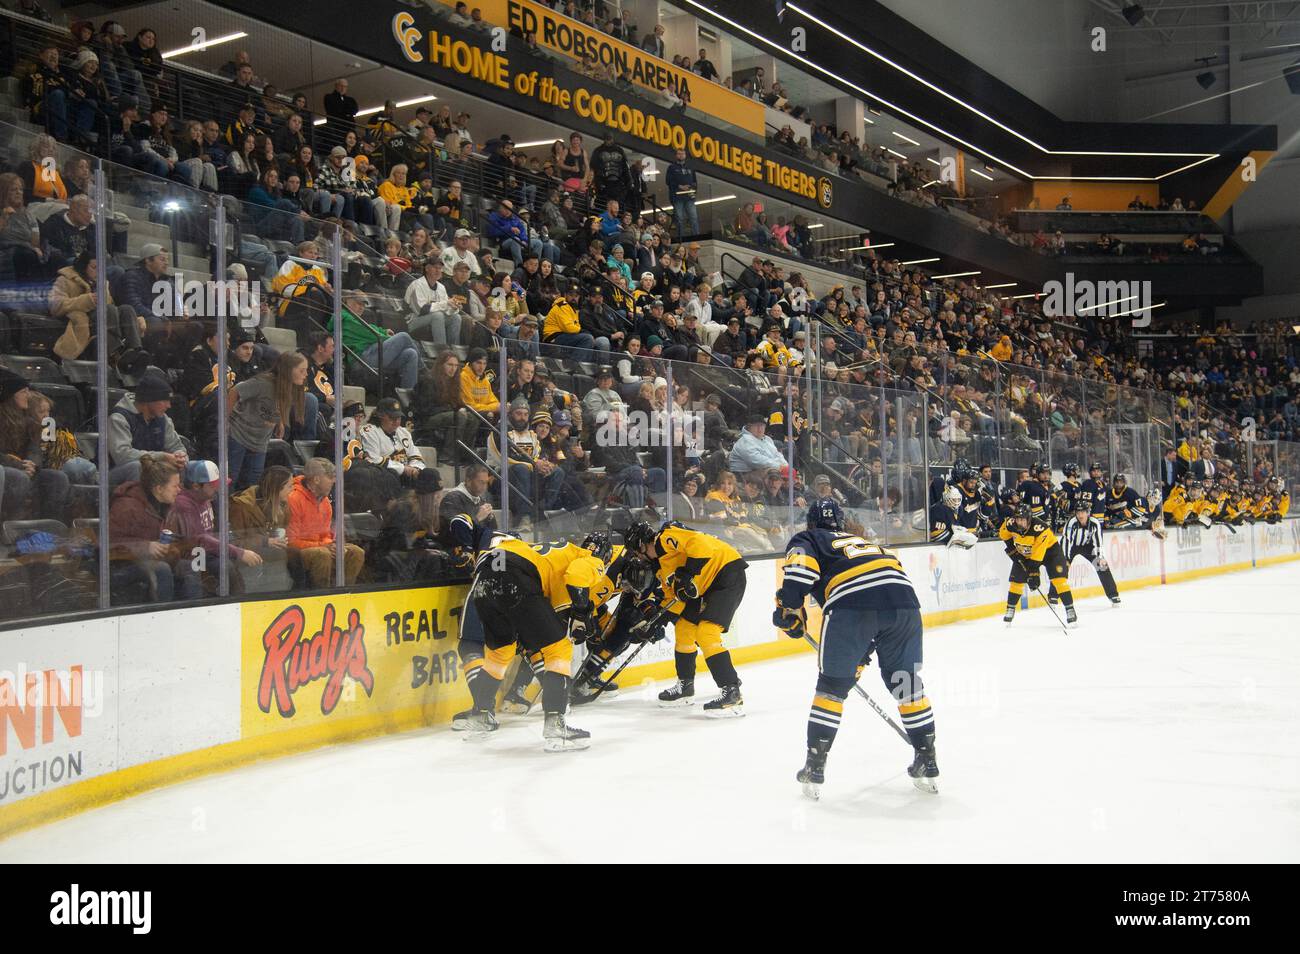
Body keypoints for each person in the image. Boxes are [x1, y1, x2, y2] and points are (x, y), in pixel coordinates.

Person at [775, 504, 938, 798]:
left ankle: (815, 765)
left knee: (831, 689)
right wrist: (858, 656)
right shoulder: (866, 543)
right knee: (907, 684)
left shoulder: (810, 539)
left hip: (852, 606)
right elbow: (878, 599)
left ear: (812, 523)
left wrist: (788, 607)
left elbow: (799, 575)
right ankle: (927, 758)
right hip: (904, 604)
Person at [460, 531, 613, 751]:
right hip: (515, 575)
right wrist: (581, 614)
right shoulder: (589, 558)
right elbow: (578, 576)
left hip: (487, 574)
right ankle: (555, 725)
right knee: (559, 649)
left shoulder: (557, 550)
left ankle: (480, 715)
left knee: (499, 653)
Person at [623, 520, 747, 715]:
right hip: (705, 587)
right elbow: (674, 599)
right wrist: (655, 622)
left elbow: (701, 544)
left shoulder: (664, 538)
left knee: (706, 633)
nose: (637, 557)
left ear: (640, 545)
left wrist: (687, 575)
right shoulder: (660, 567)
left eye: (635, 551)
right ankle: (685, 686)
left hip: (726, 574)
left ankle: (731, 691)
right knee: (684, 628)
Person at [107, 455, 189, 602]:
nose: (180, 490)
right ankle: (162, 615)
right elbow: (108, 545)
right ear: (158, 488)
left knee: (188, 567)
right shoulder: (126, 507)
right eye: (175, 486)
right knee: (161, 570)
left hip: (147, 562)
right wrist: (145, 547)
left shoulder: (166, 505)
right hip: (120, 568)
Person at [227, 351, 308, 490]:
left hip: (260, 441)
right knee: (231, 479)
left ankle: (245, 511)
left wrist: (280, 421)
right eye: (302, 370)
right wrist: (224, 420)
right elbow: (235, 391)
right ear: (288, 370)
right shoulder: (263, 383)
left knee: (253, 484)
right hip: (239, 434)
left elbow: (278, 404)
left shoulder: (290, 387)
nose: (306, 374)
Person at [287, 457, 364, 587]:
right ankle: (322, 596)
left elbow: (326, 535)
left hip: (319, 547)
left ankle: (345, 592)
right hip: (295, 553)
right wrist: (323, 545)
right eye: (329, 477)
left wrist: (332, 545)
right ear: (316, 479)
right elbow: (291, 541)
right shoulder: (294, 499)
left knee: (355, 552)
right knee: (322, 554)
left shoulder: (325, 501)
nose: (334, 481)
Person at [999, 503, 1077, 626]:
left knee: (1059, 581)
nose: (1019, 523)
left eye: (1023, 520)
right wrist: (1013, 551)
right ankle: (1010, 608)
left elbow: (1038, 554)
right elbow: (1003, 534)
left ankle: (1070, 609)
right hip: (1025, 553)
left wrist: (1034, 574)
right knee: (1016, 581)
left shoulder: (1040, 528)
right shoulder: (1010, 524)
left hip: (1050, 553)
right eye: (1018, 519)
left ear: (1029, 519)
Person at [107, 371, 188, 486]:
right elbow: (123, 456)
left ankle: (178, 502)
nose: (169, 406)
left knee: (189, 466)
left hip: (152, 469)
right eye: (164, 401)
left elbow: (177, 446)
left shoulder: (163, 419)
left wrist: (180, 457)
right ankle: (135, 503)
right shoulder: (119, 418)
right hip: (113, 473)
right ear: (148, 400)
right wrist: (162, 457)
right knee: (137, 467)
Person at [1061, 504, 1120, 605]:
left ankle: (1113, 595)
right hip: (1072, 547)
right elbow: (1066, 541)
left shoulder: (1094, 522)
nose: (1080, 515)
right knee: (1061, 568)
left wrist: (1100, 557)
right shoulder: (1072, 522)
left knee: (1102, 566)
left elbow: (1098, 541)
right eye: (1078, 512)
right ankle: (1053, 596)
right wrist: (1065, 558)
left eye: (1083, 512)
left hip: (1088, 546)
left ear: (1087, 513)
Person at [360, 398, 426, 486]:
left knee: (429, 474)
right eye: (392, 418)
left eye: (398, 418)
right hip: (384, 476)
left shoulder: (403, 432)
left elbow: (416, 456)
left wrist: (415, 468)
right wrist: (403, 469)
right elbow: (373, 460)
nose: (396, 422)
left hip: (406, 475)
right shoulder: (369, 431)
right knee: (392, 476)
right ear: (380, 415)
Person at [665, 147, 699, 237]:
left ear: (685, 155)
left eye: (683, 154)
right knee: (680, 218)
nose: (681, 155)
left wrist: (692, 189)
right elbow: (668, 181)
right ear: (676, 155)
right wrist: (680, 186)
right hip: (677, 197)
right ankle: (681, 238)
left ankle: (696, 236)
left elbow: (695, 181)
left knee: (693, 217)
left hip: (689, 196)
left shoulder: (690, 167)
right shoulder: (671, 167)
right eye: (679, 154)